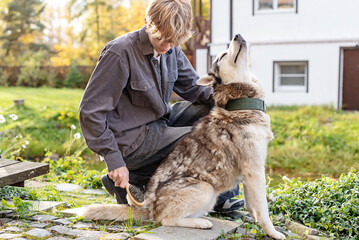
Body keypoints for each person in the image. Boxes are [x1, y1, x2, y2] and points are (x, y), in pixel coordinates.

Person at [79, 0, 242, 212]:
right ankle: (218, 197)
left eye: (173, 42)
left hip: (160, 122)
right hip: (132, 140)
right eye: (161, 39)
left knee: (215, 113)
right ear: (147, 22)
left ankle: (141, 178)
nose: (167, 47)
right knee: (207, 139)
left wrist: (235, 101)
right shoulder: (120, 53)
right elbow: (90, 112)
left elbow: (195, 89)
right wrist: (114, 160)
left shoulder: (172, 48)